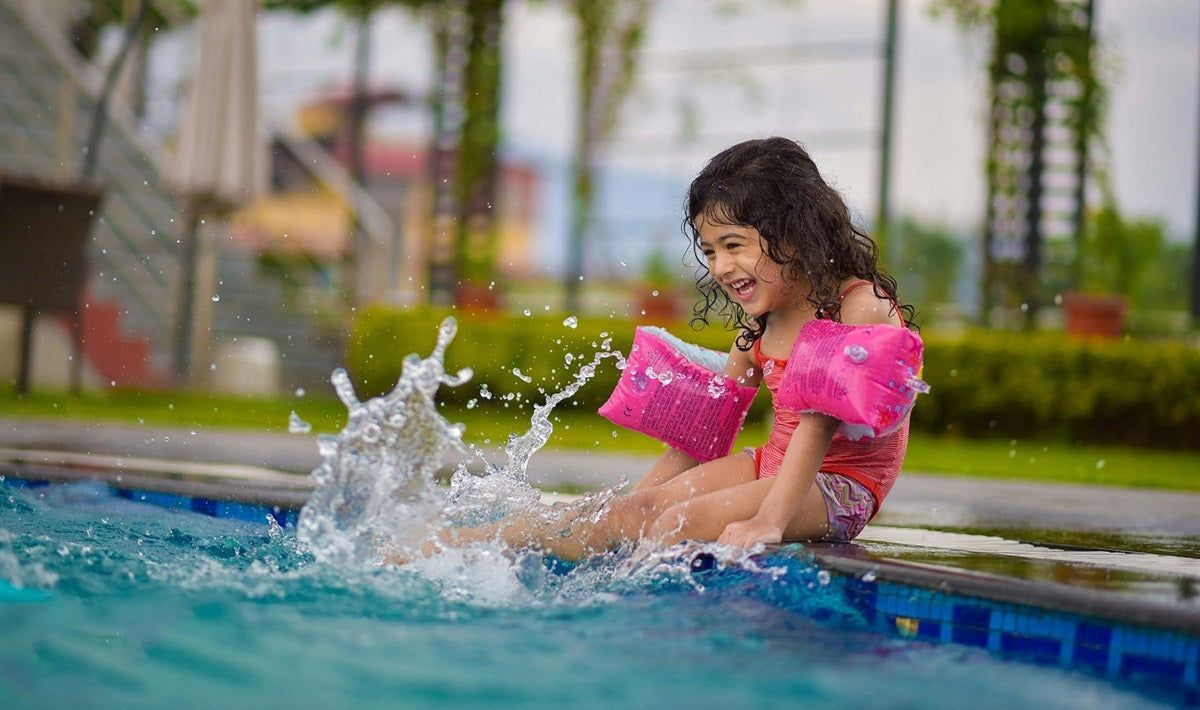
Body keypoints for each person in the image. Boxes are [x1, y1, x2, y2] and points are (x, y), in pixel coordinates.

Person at [422, 136, 916, 562]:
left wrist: (768, 521)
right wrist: (617, 515)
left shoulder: (858, 307)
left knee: (674, 524)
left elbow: (817, 423)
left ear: (793, 231)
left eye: (734, 244)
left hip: (839, 486)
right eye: (710, 251)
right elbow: (701, 440)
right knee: (632, 516)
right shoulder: (761, 327)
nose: (721, 266)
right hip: (771, 467)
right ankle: (460, 546)